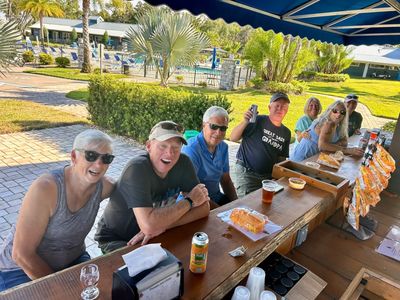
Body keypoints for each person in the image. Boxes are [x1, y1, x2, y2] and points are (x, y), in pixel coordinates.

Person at [0, 129, 115, 292]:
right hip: (20, 270)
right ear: (74, 156)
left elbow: (134, 200)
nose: (99, 164)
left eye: (106, 158)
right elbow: (21, 254)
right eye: (91, 155)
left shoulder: (105, 187)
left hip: (72, 259)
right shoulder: (46, 189)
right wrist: (62, 288)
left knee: (108, 291)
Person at [95, 121, 210, 253]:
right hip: (118, 239)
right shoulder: (137, 168)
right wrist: (189, 201)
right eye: (163, 146)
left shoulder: (183, 163)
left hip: (153, 235)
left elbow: (204, 208)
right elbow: (149, 226)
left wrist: (163, 226)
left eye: (176, 147)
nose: (170, 153)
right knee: (154, 272)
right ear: (149, 146)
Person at [230, 92, 291, 198]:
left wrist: (278, 178)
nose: (280, 109)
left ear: (287, 111)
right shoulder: (257, 120)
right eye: (277, 105)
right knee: (247, 205)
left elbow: (281, 158)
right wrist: (245, 121)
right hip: (247, 173)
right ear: (269, 107)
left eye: (284, 107)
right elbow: (233, 138)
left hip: (268, 178)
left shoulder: (286, 132)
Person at [182, 106, 237, 206]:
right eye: (214, 126)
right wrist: (219, 210)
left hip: (215, 197)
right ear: (203, 125)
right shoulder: (191, 149)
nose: (218, 133)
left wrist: (237, 204)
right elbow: (191, 191)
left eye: (223, 128)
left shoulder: (223, 147)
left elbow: (226, 180)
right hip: (194, 203)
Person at [290, 100, 364, 162]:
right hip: (301, 160)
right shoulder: (328, 123)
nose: (338, 115)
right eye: (335, 111)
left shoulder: (338, 126)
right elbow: (322, 146)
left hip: (314, 159)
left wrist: (334, 145)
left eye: (342, 112)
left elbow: (345, 142)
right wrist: (348, 150)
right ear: (329, 111)